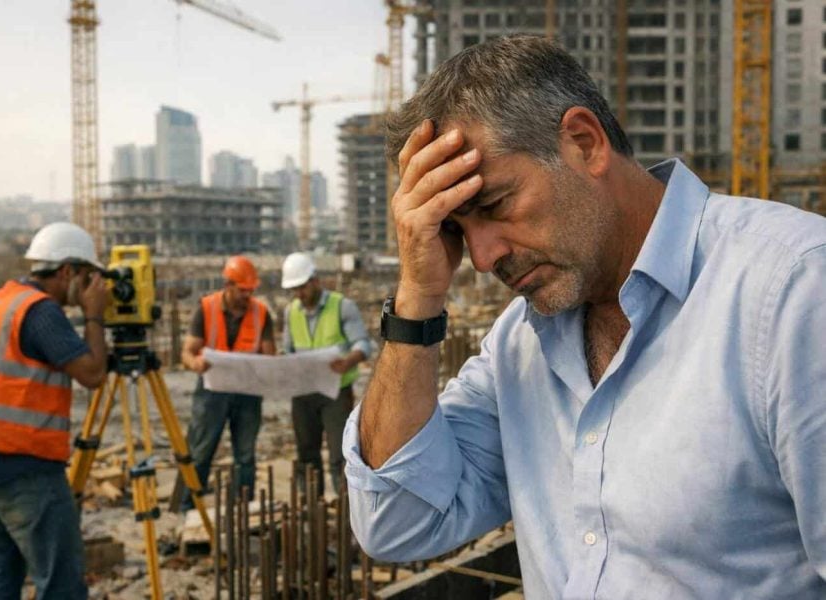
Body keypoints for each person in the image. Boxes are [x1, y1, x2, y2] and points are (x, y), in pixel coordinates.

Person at [343, 34, 826, 597]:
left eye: (495, 206)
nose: (481, 257)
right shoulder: (519, 344)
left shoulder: (793, 294)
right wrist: (417, 301)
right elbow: (397, 522)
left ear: (583, 142)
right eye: (456, 229)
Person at [0, 222, 108, 599]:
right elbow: (93, 373)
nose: (90, 286)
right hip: (25, 470)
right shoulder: (40, 313)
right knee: (60, 586)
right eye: (87, 276)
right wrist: (94, 316)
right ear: (67, 271)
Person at [180, 255, 275, 509]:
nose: (248, 296)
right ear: (228, 285)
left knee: (245, 456)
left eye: (251, 290)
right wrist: (195, 363)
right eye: (243, 290)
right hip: (212, 390)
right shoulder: (207, 308)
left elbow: (270, 355)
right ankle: (186, 505)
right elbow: (187, 352)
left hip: (247, 392)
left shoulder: (261, 313)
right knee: (200, 450)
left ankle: (242, 508)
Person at [280, 252, 372, 496]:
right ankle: (313, 503)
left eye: (302, 287)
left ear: (315, 281)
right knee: (306, 453)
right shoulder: (291, 312)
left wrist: (348, 361)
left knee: (339, 454)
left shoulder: (342, 306)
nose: (299, 294)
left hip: (335, 392)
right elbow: (287, 350)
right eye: (294, 290)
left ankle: (347, 508)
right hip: (303, 392)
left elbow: (363, 344)